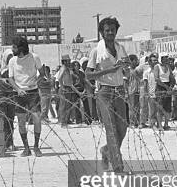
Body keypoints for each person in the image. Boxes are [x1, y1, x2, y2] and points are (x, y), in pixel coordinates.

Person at [86, 17, 130, 171]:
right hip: (104, 92)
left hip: (119, 90)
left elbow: (126, 70)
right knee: (111, 127)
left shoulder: (121, 48)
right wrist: (109, 70)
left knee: (122, 128)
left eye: (113, 30)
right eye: (107, 30)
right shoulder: (96, 51)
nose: (110, 33)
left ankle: (106, 150)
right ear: (102, 33)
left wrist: (127, 67)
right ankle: (117, 165)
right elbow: (88, 75)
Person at [8, 36, 45, 157]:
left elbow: (42, 72)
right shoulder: (12, 61)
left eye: (14, 47)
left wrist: (36, 83)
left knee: (37, 119)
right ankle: (26, 148)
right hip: (19, 94)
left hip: (33, 92)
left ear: (21, 48)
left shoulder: (34, 57)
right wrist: (18, 89)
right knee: (21, 121)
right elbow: (10, 78)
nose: (12, 49)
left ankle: (36, 146)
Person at [0, 49, 17, 151]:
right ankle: (2, 142)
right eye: (9, 58)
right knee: (2, 119)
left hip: (11, 95)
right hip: (0, 96)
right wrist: (1, 80)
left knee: (10, 120)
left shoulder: (15, 66)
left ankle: (9, 142)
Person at [57, 55, 78, 127]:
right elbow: (59, 78)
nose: (69, 62)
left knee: (68, 105)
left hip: (68, 88)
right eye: (68, 60)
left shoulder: (67, 68)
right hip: (65, 88)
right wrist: (62, 86)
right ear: (64, 61)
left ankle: (67, 120)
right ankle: (63, 122)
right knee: (64, 106)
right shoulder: (63, 68)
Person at [156, 55, 173, 131]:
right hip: (161, 86)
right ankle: (160, 125)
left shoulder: (168, 67)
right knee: (160, 106)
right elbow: (157, 79)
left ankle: (166, 124)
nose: (167, 59)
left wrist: (171, 86)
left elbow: (171, 77)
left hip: (168, 86)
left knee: (167, 106)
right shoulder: (157, 67)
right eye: (165, 58)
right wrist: (166, 87)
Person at [143, 53, 159, 129]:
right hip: (151, 93)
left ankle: (158, 123)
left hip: (159, 92)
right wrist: (146, 93)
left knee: (158, 109)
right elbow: (145, 84)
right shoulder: (147, 72)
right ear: (149, 62)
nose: (155, 62)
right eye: (153, 61)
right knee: (152, 109)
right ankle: (152, 124)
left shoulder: (158, 70)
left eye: (156, 60)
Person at [126, 55, 141, 128]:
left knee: (137, 107)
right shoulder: (128, 70)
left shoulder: (136, 70)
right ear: (131, 61)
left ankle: (136, 122)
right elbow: (125, 82)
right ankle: (132, 122)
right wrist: (126, 92)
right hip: (131, 91)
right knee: (132, 108)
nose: (137, 61)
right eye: (135, 60)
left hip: (137, 90)